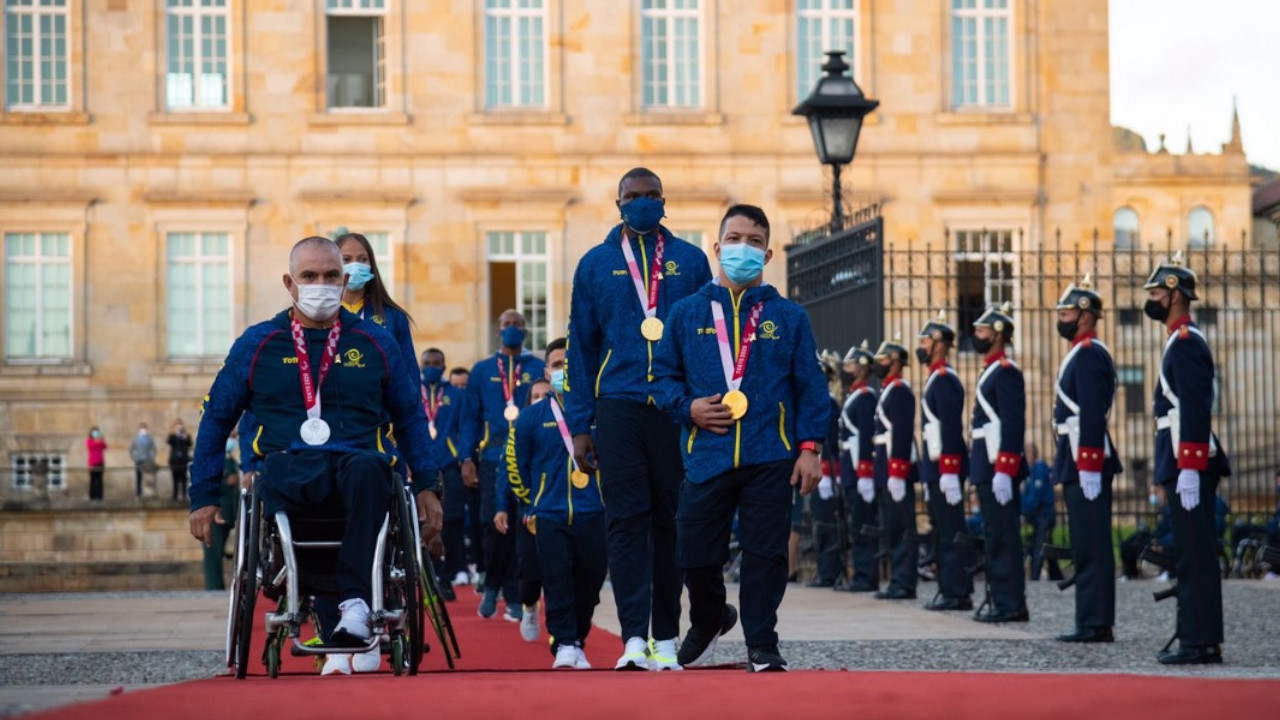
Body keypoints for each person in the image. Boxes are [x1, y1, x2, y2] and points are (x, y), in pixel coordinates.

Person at [186, 236, 444, 677]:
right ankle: (338, 612)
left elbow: (410, 418)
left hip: (358, 465)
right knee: (299, 477)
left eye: (330, 276)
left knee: (369, 469)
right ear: (290, 283)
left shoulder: (376, 341)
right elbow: (215, 420)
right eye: (309, 276)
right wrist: (204, 495)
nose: (320, 285)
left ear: (344, 282)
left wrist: (427, 486)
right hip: (290, 465)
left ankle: (356, 606)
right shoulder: (258, 344)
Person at [653, 204, 828, 672]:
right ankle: (709, 618)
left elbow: (811, 386)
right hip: (705, 454)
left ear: (768, 254)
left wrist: (810, 448)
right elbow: (662, 380)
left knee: (765, 554)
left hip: (770, 454)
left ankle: (762, 643)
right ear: (717, 247)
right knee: (693, 553)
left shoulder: (789, 317)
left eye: (753, 241)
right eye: (734, 239)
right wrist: (686, 407)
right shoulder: (686, 314)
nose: (742, 248)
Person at [563, 167, 712, 671]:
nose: (643, 203)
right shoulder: (596, 263)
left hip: (674, 406)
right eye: (634, 196)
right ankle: (632, 638)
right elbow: (580, 348)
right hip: (618, 403)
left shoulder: (690, 261)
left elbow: (705, 338)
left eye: (652, 196)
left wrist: (701, 404)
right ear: (618, 202)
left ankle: (666, 637)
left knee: (671, 522)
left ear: (664, 202)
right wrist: (579, 424)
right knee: (625, 521)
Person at [497, 338, 608, 669]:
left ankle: (579, 639)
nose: (563, 370)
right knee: (557, 579)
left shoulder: (598, 410)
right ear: (546, 370)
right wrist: (533, 502)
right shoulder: (531, 417)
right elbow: (515, 464)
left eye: (569, 364)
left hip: (594, 510)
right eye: (557, 365)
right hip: (549, 512)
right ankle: (565, 644)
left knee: (590, 583)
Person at [1143, 255, 1229, 664]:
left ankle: (1200, 641)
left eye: (1157, 292)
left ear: (1176, 294)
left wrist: (1190, 467)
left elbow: (1196, 407)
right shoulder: (1178, 340)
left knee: (1195, 553)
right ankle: (1197, 635)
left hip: (1188, 462)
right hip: (1181, 459)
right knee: (1191, 552)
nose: (1153, 299)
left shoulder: (1186, 342)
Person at [458, 309, 546, 622]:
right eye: (506, 324)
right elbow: (469, 417)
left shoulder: (537, 367)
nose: (511, 329)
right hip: (493, 456)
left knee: (521, 527)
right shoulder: (482, 370)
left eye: (517, 325)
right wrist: (466, 457)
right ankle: (493, 584)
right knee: (491, 525)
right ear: (499, 329)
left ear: (525, 330)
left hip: (529, 457)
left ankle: (510, 592)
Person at [1052, 278, 1123, 642]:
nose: (1060, 318)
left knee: (1092, 543)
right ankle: (1090, 619)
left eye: (1066, 312)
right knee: (1085, 543)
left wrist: (1091, 464)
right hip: (1078, 456)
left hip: (1086, 459)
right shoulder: (1081, 352)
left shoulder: (1091, 353)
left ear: (1084, 315)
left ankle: (1095, 622)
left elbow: (1093, 411)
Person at [969, 303, 1029, 623]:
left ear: (998, 335)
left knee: (1004, 536)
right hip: (986, 465)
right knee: (994, 535)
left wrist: (1005, 468)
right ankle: (1001, 598)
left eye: (982, 331)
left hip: (997, 466)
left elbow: (1012, 422)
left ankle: (1011, 603)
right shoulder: (992, 369)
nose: (976, 335)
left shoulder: (1006, 371)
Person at [916, 312, 973, 611]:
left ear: (939, 344)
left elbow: (951, 428)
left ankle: (957, 590)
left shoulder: (945, 379)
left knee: (952, 532)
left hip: (945, 469)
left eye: (925, 340)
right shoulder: (935, 379)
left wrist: (949, 471)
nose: (921, 346)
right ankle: (950, 587)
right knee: (941, 531)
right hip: (936, 469)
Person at [869, 336, 918, 600]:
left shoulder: (899, 390)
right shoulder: (889, 389)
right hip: (885, 469)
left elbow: (901, 433)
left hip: (894, 470)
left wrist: (897, 472)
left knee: (902, 527)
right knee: (893, 526)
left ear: (896, 362)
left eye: (883, 360)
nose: (879, 365)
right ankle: (899, 579)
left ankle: (904, 581)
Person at [421, 347, 468, 602]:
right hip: (420, 466)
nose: (432, 366)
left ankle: (446, 577)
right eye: (427, 362)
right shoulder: (412, 391)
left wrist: (460, 456)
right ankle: (429, 575)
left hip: (448, 464)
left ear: (444, 365)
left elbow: (465, 426)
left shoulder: (455, 394)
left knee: (450, 519)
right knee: (424, 521)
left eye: (437, 362)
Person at [835, 340, 879, 592]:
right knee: (855, 522)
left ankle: (866, 574)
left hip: (859, 469)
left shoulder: (864, 397)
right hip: (850, 468)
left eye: (850, 365)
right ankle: (860, 573)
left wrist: (865, 472)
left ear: (862, 368)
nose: (846, 369)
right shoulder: (854, 395)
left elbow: (865, 436)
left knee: (864, 523)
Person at [806, 353, 844, 588]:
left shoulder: (828, 402)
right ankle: (824, 569)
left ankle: (829, 571)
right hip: (819, 470)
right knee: (819, 523)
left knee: (828, 523)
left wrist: (829, 473)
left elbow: (829, 443)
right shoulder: (819, 402)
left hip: (826, 471)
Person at [203, 433, 240, 590]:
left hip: (229, 512)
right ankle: (214, 586)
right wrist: (226, 482)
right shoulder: (211, 459)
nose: (234, 438)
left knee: (222, 552)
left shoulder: (230, 459)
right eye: (231, 435)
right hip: (214, 512)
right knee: (213, 552)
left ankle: (219, 586)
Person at [1021, 443, 1062, 582]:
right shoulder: (1033, 471)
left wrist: (1024, 511)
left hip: (1044, 515)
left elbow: (1035, 497)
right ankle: (1056, 575)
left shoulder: (1039, 469)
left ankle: (1034, 576)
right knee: (1044, 544)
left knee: (1039, 546)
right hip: (1039, 516)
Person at [167, 420, 193, 502]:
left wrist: (185, 437)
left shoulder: (185, 436)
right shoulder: (172, 436)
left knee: (184, 478)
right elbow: (169, 444)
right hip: (175, 460)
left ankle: (184, 495)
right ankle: (175, 496)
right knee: (175, 478)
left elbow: (190, 444)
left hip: (183, 460)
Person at [129, 423, 156, 497]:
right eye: (142, 429)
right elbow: (131, 450)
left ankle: (149, 493)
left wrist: (151, 458)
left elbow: (153, 449)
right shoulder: (135, 439)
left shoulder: (150, 439)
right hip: (139, 460)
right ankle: (139, 493)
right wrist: (135, 458)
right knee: (139, 478)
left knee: (148, 478)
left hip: (147, 460)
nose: (143, 431)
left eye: (144, 429)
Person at [86, 427, 107, 501]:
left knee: (99, 479)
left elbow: (105, 446)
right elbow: (91, 446)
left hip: (100, 462)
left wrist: (101, 439)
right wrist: (97, 441)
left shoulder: (101, 441)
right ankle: (92, 496)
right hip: (92, 462)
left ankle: (99, 496)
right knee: (93, 479)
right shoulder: (89, 441)